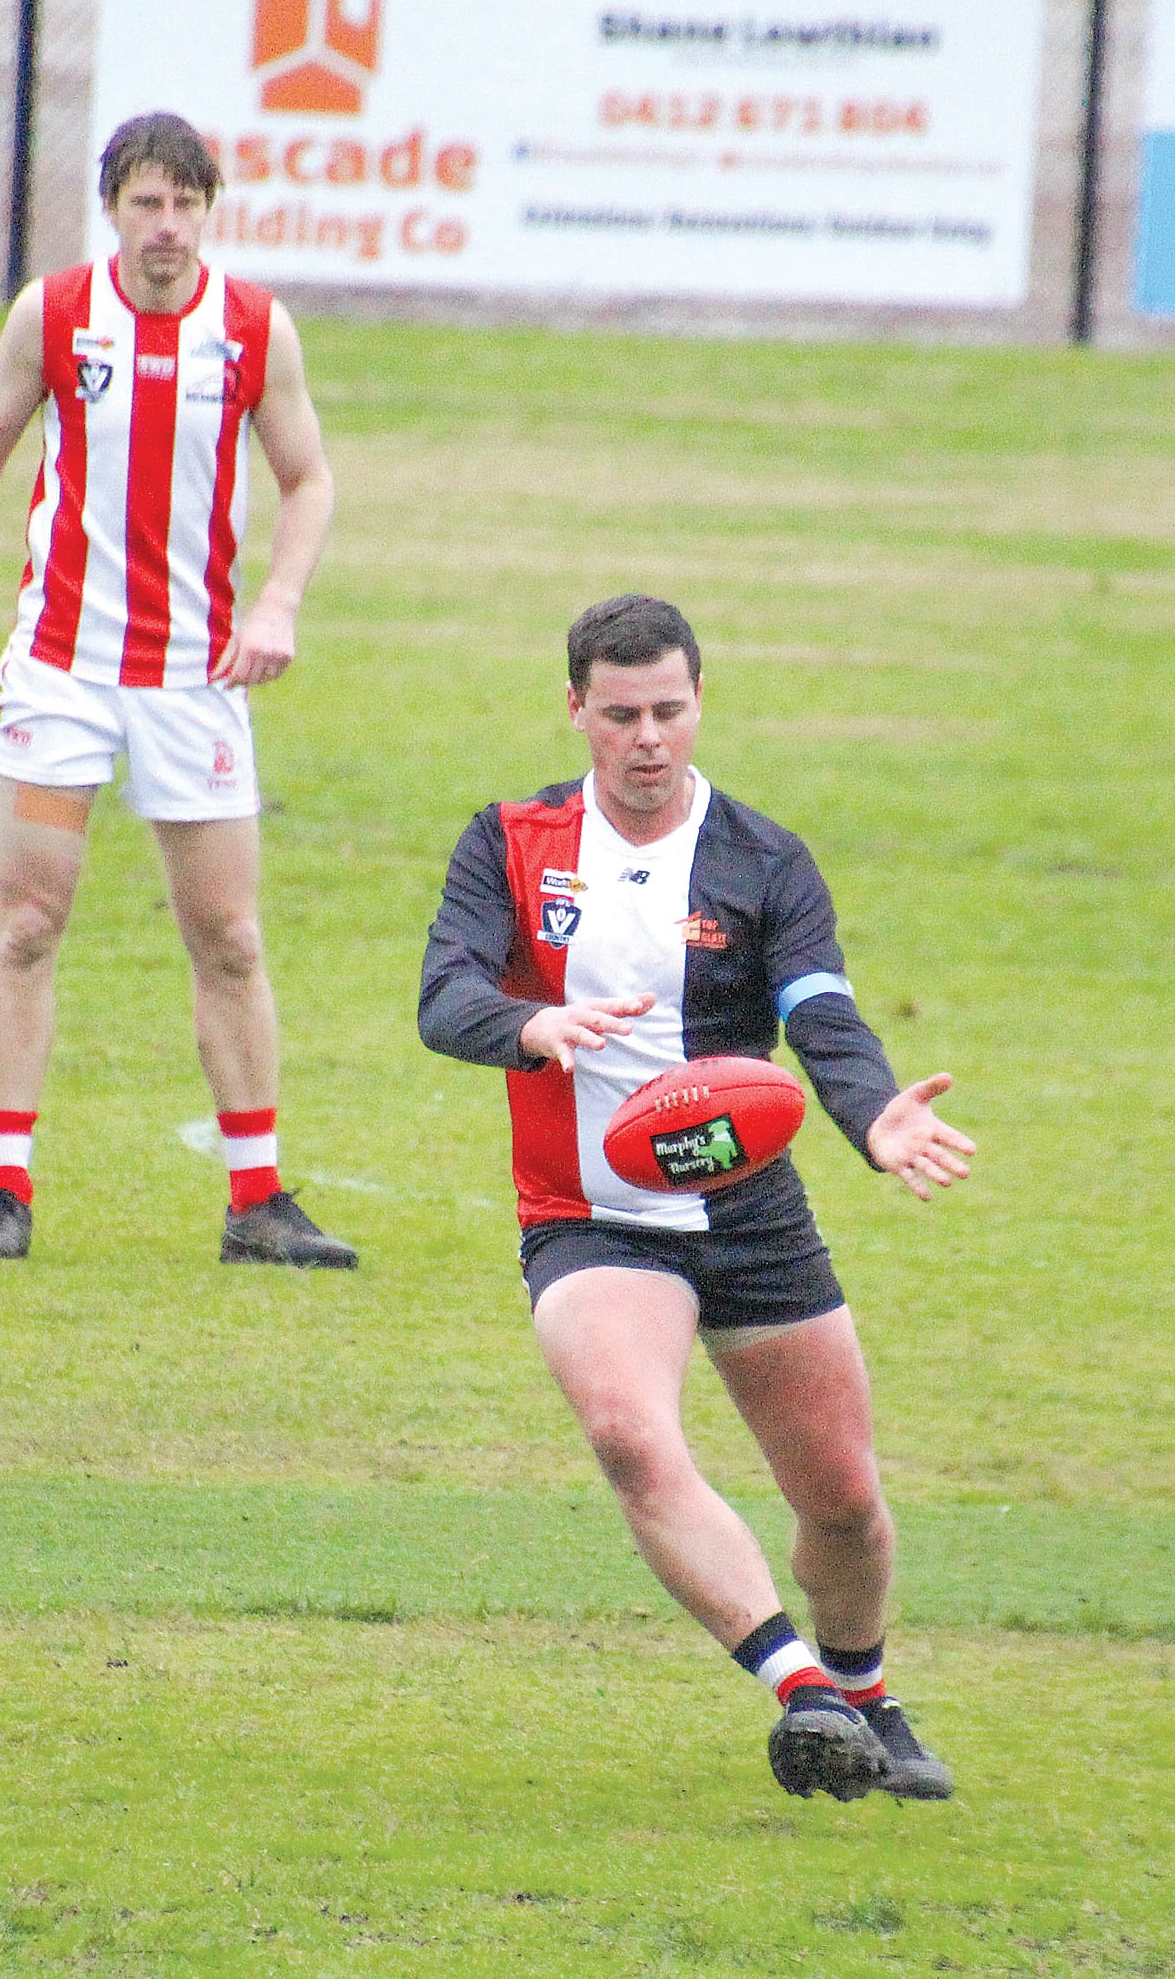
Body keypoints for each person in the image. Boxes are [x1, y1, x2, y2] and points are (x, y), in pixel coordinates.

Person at [418, 594, 975, 1803]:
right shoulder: (508, 844)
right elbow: (442, 996)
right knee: (629, 1436)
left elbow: (821, 1015)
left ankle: (863, 1687)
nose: (648, 739)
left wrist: (875, 1112)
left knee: (846, 1507)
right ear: (577, 711)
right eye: (620, 715)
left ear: (699, 703)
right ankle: (803, 1692)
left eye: (668, 710)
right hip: (590, 1214)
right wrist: (528, 1022)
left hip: (751, 1218)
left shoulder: (762, 860)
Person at [0, 111, 356, 1268]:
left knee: (233, 939)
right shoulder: (53, 315)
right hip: (59, 675)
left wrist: (280, 604)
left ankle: (258, 1202)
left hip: (193, 686)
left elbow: (307, 480)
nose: (167, 226)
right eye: (146, 203)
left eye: (186, 204)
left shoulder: (254, 328)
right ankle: (4, 1191)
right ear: (113, 210)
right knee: (29, 922)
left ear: (209, 210)